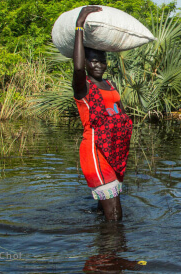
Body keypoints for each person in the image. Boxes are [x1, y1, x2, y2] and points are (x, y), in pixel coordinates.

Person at [72, 6, 133, 221]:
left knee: (105, 208)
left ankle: (103, 251)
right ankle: (115, 253)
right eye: (92, 60)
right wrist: (79, 25)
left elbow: (121, 115)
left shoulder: (110, 83)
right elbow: (77, 69)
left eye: (102, 60)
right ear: (86, 63)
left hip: (115, 150)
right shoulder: (84, 87)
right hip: (96, 150)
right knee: (115, 212)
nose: (98, 64)